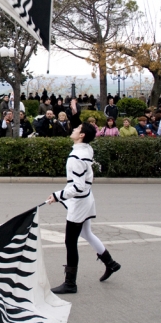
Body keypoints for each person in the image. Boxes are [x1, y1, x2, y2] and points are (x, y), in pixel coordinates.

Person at [44, 122, 121, 294]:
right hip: (86, 198)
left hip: (79, 202)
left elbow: (77, 186)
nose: (73, 129)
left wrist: (57, 196)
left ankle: (70, 283)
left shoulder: (76, 157)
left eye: (77, 129)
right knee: (86, 233)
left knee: (70, 242)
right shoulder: (86, 149)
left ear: (82, 136)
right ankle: (111, 263)